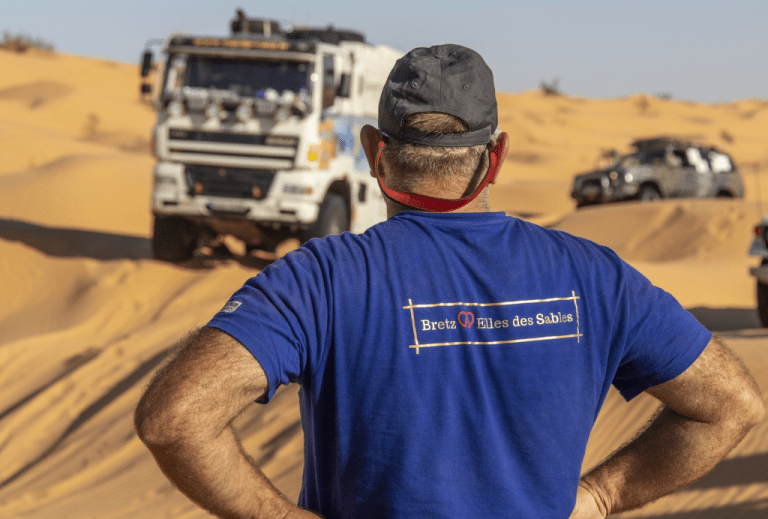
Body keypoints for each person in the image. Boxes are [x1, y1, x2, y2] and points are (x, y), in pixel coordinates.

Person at [135, 44, 764, 519]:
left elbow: (174, 419)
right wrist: (600, 496)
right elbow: (732, 405)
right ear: (495, 157)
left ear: (375, 152)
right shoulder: (593, 277)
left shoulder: (322, 280)